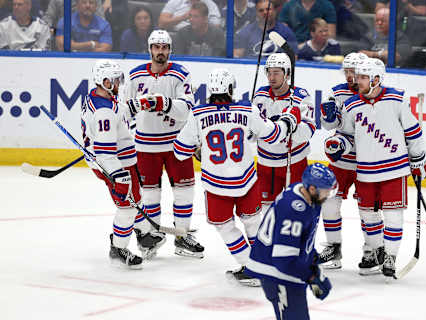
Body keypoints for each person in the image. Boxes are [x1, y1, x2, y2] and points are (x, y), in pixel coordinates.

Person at [173, 68, 301, 286]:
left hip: (216, 184)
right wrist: (289, 119)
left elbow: (180, 151)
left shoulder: (197, 113)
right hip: (246, 180)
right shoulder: (246, 108)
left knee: (225, 226)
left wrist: (198, 149)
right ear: (230, 88)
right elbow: (273, 135)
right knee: (253, 222)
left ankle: (249, 266)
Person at [324, 58, 426, 278]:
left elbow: (413, 131)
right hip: (365, 171)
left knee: (393, 216)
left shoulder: (397, 98)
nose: (357, 80)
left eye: (363, 77)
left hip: (395, 169)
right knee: (368, 216)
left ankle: (391, 256)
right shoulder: (352, 104)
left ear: (376, 78)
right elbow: (347, 135)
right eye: (358, 76)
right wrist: (339, 145)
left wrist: (418, 156)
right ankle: (378, 250)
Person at [124, 29, 204, 259]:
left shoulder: (180, 74)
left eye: (164, 47)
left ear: (170, 49)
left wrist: (162, 102)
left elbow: (186, 110)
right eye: (156, 47)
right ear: (150, 49)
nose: (161, 51)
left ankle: (182, 237)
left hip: (177, 144)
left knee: (185, 192)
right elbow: (124, 112)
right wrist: (133, 128)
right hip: (145, 146)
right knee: (149, 195)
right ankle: (152, 236)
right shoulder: (135, 75)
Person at [80, 59, 165, 268]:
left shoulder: (103, 98)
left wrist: (138, 104)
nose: (119, 83)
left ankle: (144, 234)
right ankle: (118, 248)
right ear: (105, 81)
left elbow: (118, 113)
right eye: (115, 80)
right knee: (127, 207)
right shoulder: (103, 112)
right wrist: (119, 175)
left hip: (121, 160)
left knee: (136, 197)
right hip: (114, 165)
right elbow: (104, 151)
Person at [245, 163, 337, 320]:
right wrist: (310, 277)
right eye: (325, 191)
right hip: (275, 272)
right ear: (312, 189)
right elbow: (284, 259)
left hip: (287, 269)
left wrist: (313, 265)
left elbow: (302, 240)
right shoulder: (294, 209)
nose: (328, 195)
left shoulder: (305, 194)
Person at [316, 52, 370, 270]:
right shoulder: (338, 92)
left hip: (367, 162)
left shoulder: (373, 94)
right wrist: (328, 118)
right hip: (341, 160)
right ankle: (333, 248)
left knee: (369, 210)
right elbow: (329, 126)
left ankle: (372, 251)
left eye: (353, 71)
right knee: (329, 203)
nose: (349, 76)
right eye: (346, 71)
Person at [252, 53, 317, 217]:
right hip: (266, 164)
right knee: (264, 210)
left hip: (294, 163)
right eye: (269, 72)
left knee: (297, 208)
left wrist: (293, 123)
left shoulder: (301, 97)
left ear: (287, 74)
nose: (271, 77)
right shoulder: (259, 96)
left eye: (276, 73)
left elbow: (308, 132)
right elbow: (252, 134)